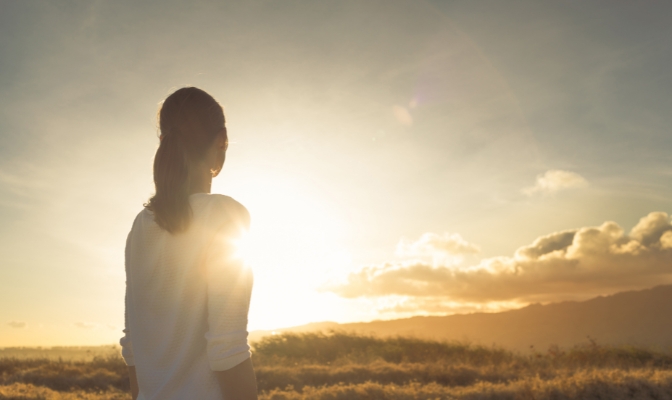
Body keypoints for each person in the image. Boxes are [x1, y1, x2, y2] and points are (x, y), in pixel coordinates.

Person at [119, 87, 258, 400]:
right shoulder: (224, 215)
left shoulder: (140, 226)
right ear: (222, 140)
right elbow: (228, 348)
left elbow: (133, 348)